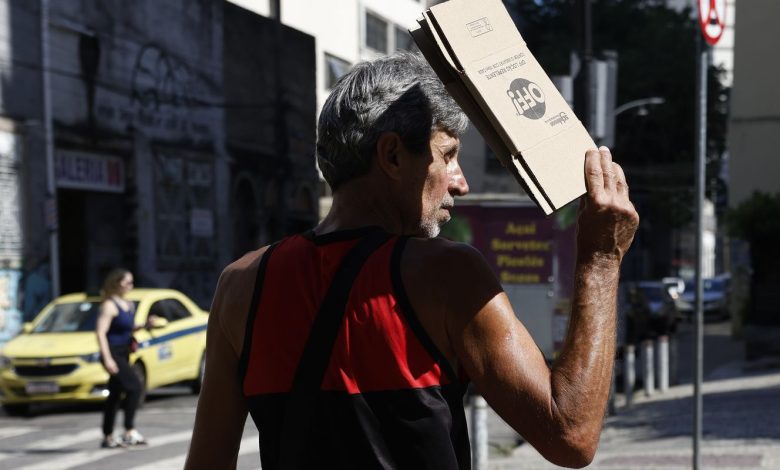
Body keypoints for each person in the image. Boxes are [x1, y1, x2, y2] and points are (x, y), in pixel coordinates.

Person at [185, 51, 638, 469]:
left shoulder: (242, 283)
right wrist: (600, 260)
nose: (459, 183)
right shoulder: (447, 276)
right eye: (448, 155)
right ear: (393, 155)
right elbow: (571, 435)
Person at [95, 268, 149, 448]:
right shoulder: (109, 305)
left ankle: (108, 435)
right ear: (116, 283)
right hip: (112, 353)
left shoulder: (128, 304)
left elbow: (127, 329)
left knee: (115, 394)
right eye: (127, 282)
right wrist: (107, 358)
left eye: (132, 282)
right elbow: (101, 333)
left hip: (124, 352)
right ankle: (129, 430)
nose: (130, 286)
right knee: (135, 387)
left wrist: (144, 325)